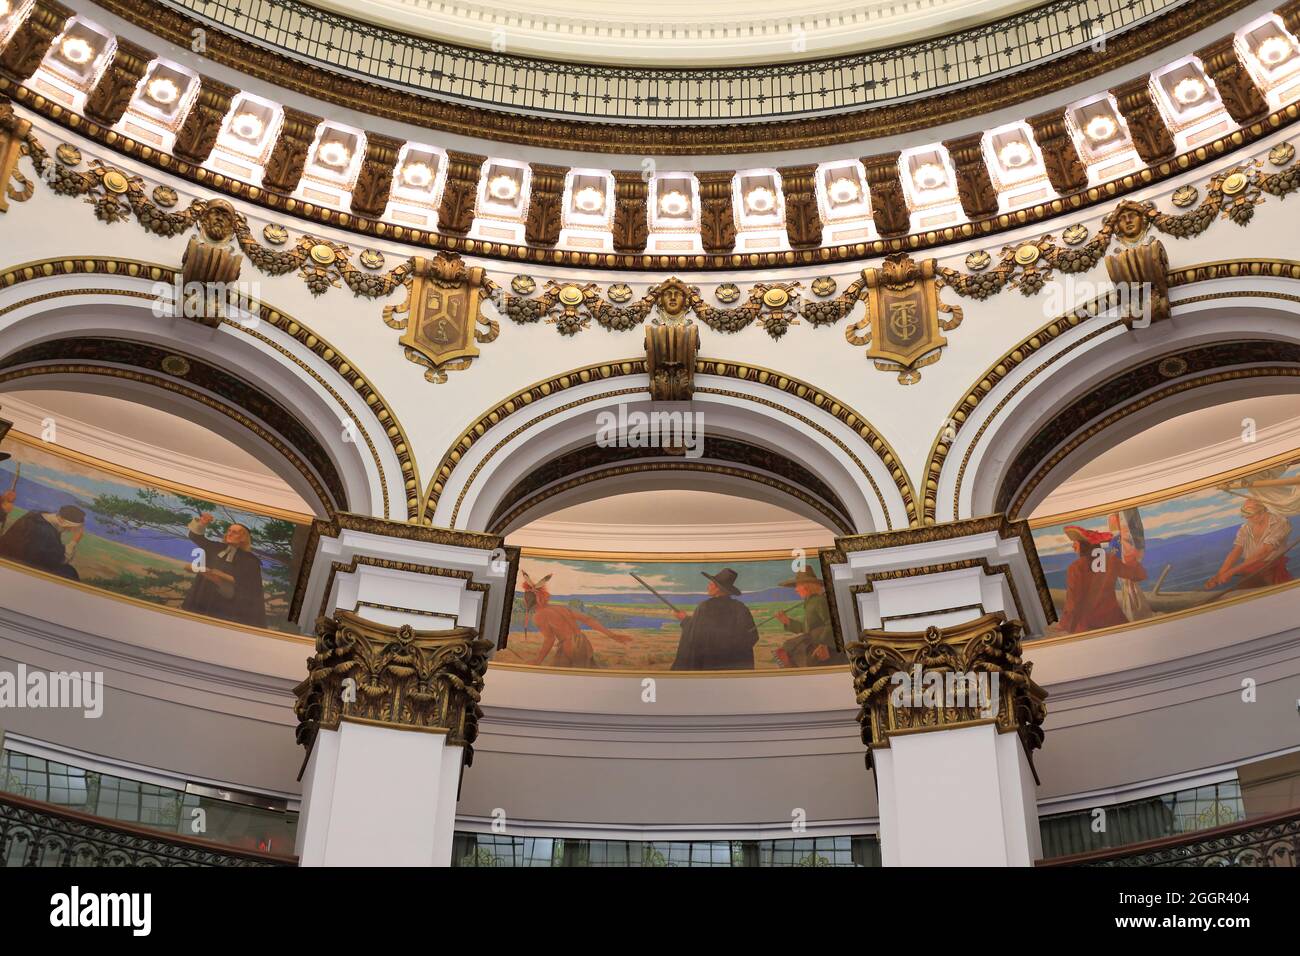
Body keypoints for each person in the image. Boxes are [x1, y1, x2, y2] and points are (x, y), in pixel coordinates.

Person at [521, 571, 632, 668]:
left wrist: (538, 661)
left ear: (527, 602)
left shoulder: (540, 616)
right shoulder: (560, 608)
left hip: (569, 646)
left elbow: (550, 640)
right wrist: (612, 635)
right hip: (583, 643)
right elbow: (588, 619)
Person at [1054, 525, 1147, 633]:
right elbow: (1139, 575)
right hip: (1114, 621)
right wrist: (1132, 556)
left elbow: (1073, 602)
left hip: (1088, 626)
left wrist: (1063, 624)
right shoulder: (1111, 561)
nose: (1073, 547)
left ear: (1084, 546)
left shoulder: (1075, 568)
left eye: (1075, 543)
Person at [181, 513, 268, 627]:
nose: (229, 534)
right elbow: (196, 537)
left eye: (235, 532)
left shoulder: (250, 560)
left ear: (243, 538)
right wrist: (202, 523)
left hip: (226, 603)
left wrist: (219, 574)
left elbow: (248, 585)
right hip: (203, 594)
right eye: (229, 531)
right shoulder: (215, 547)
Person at [671, 568, 759, 670]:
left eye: (711, 584)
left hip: (708, 665)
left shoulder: (705, 607)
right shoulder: (741, 608)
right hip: (732, 667)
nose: (708, 586)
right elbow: (752, 636)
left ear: (718, 588)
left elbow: (695, 635)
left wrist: (684, 619)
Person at [1204, 499, 1292, 591]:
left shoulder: (1280, 523)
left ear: (1262, 511)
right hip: (1249, 570)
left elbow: (1264, 552)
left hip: (1271, 569)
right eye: (1246, 516)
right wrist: (1219, 576)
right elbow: (1236, 551)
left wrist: (1231, 572)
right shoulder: (1245, 528)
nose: (1248, 518)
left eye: (1251, 515)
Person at [774, 568, 846, 667]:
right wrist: (787, 621)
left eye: (798, 586)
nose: (796, 589)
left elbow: (832, 624)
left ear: (807, 586)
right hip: (813, 640)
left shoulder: (820, 601)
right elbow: (806, 628)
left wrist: (824, 645)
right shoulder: (810, 602)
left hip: (823, 644)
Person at [0, 504, 84, 580]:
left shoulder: (38, 516)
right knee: (70, 573)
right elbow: (57, 560)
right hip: (20, 564)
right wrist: (74, 541)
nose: (69, 530)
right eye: (69, 527)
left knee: (70, 571)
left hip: (20, 557)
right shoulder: (45, 530)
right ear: (62, 520)